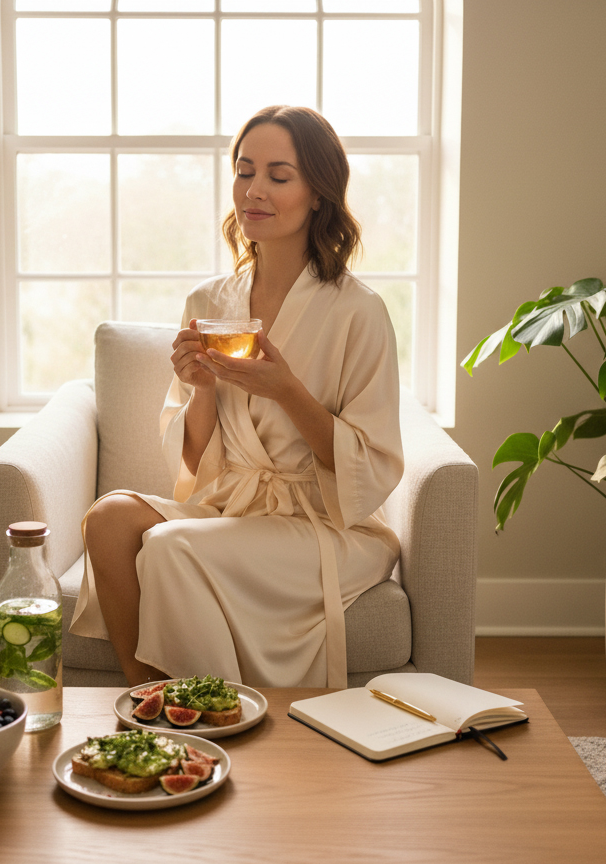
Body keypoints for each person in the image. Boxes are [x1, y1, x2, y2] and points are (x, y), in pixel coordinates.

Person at [70, 105, 404, 689]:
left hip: (325, 524)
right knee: (108, 520)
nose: (254, 190)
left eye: (279, 176)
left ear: (318, 194)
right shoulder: (209, 302)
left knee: (170, 547)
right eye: (244, 171)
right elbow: (198, 463)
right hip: (235, 506)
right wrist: (199, 390)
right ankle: (148, 697)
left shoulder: (358, 311)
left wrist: (288, 391)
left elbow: (370, 469)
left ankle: (213, 714)